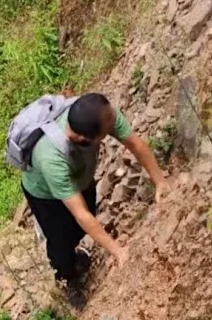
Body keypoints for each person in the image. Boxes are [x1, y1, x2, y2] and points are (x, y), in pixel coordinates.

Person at [21, 92, 167, 308]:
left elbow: (135, 143)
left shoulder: (98, 114)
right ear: (84, 140)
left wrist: (160, 181)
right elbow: (80, 214)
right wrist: (118, 251)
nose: (115, 123)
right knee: (61, 240)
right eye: (108, 131)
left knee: (84, 221)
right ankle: (67, 278)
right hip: (46, 195)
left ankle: (76, 251)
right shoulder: (51, 158)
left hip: (80, 174)